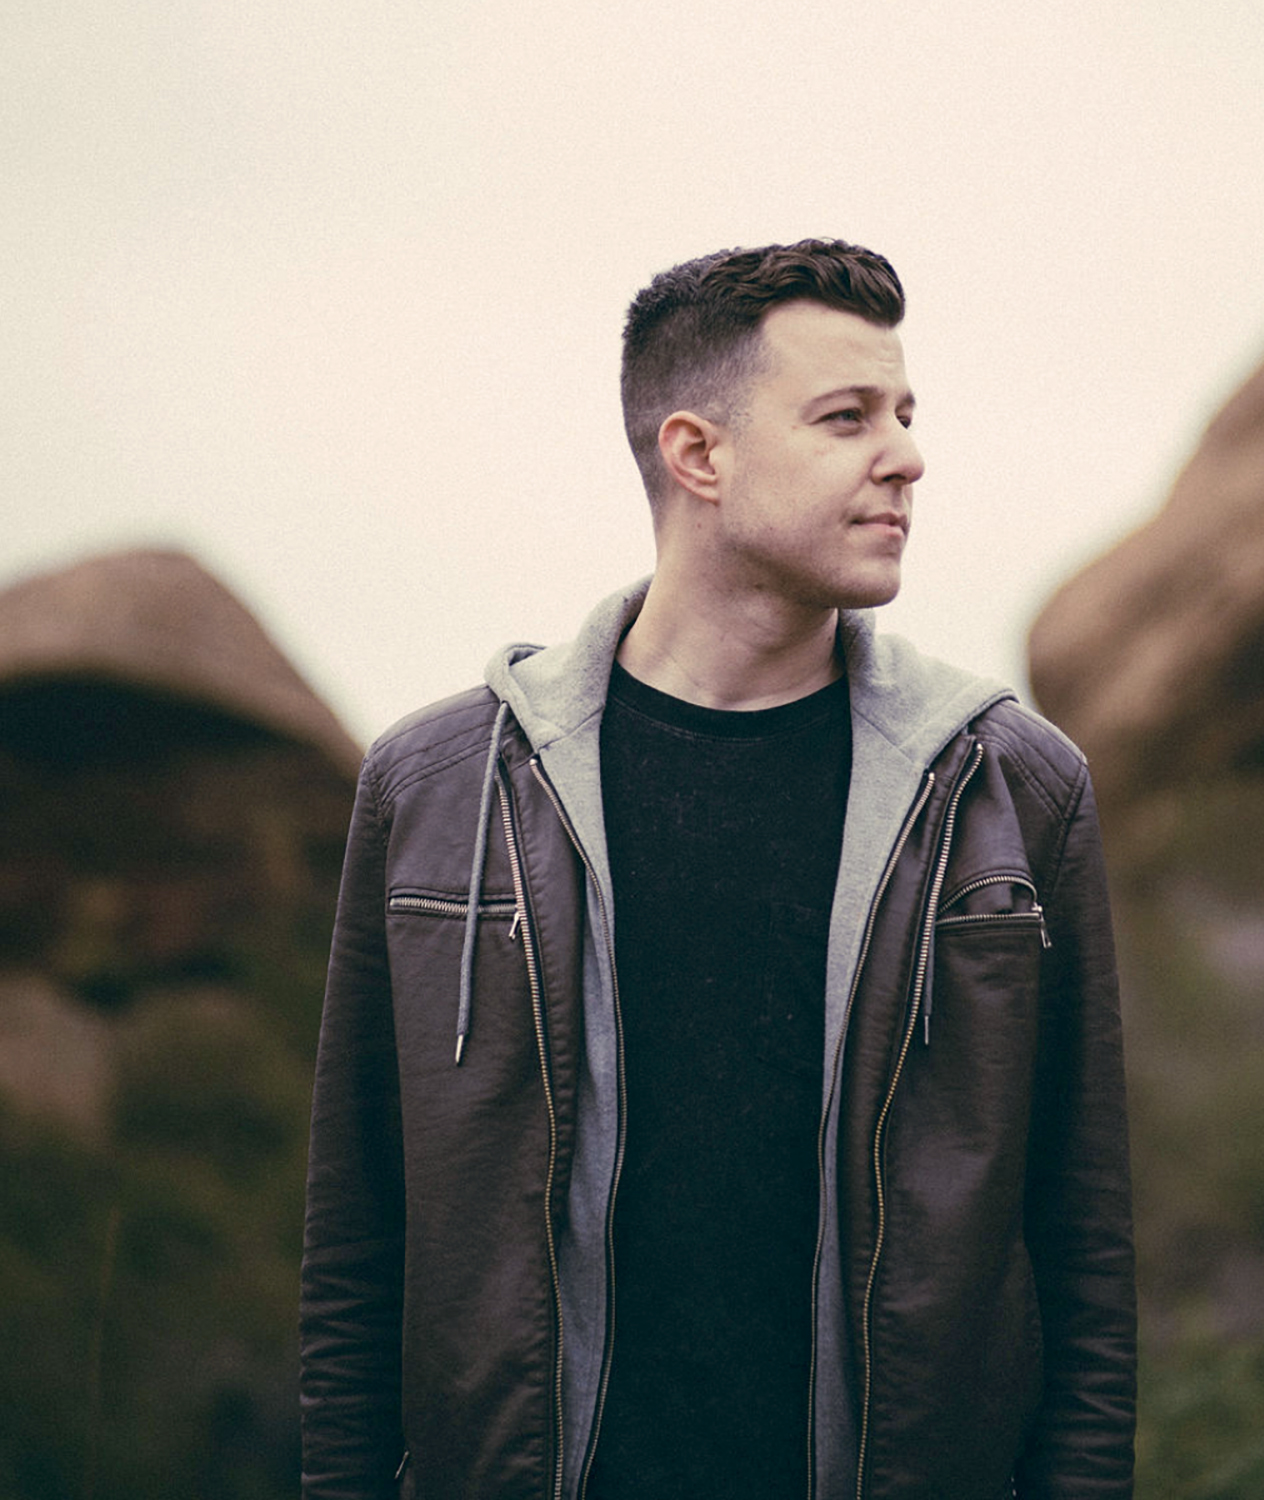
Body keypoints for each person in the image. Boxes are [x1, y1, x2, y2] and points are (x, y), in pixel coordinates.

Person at [300, 239, 1135, 1499]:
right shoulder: (438, 791)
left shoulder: (1012, 791)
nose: (905, 457)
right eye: (847, 418)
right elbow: (356, 1248)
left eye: (905, 416)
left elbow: (1084, 1256)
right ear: (698, 455)